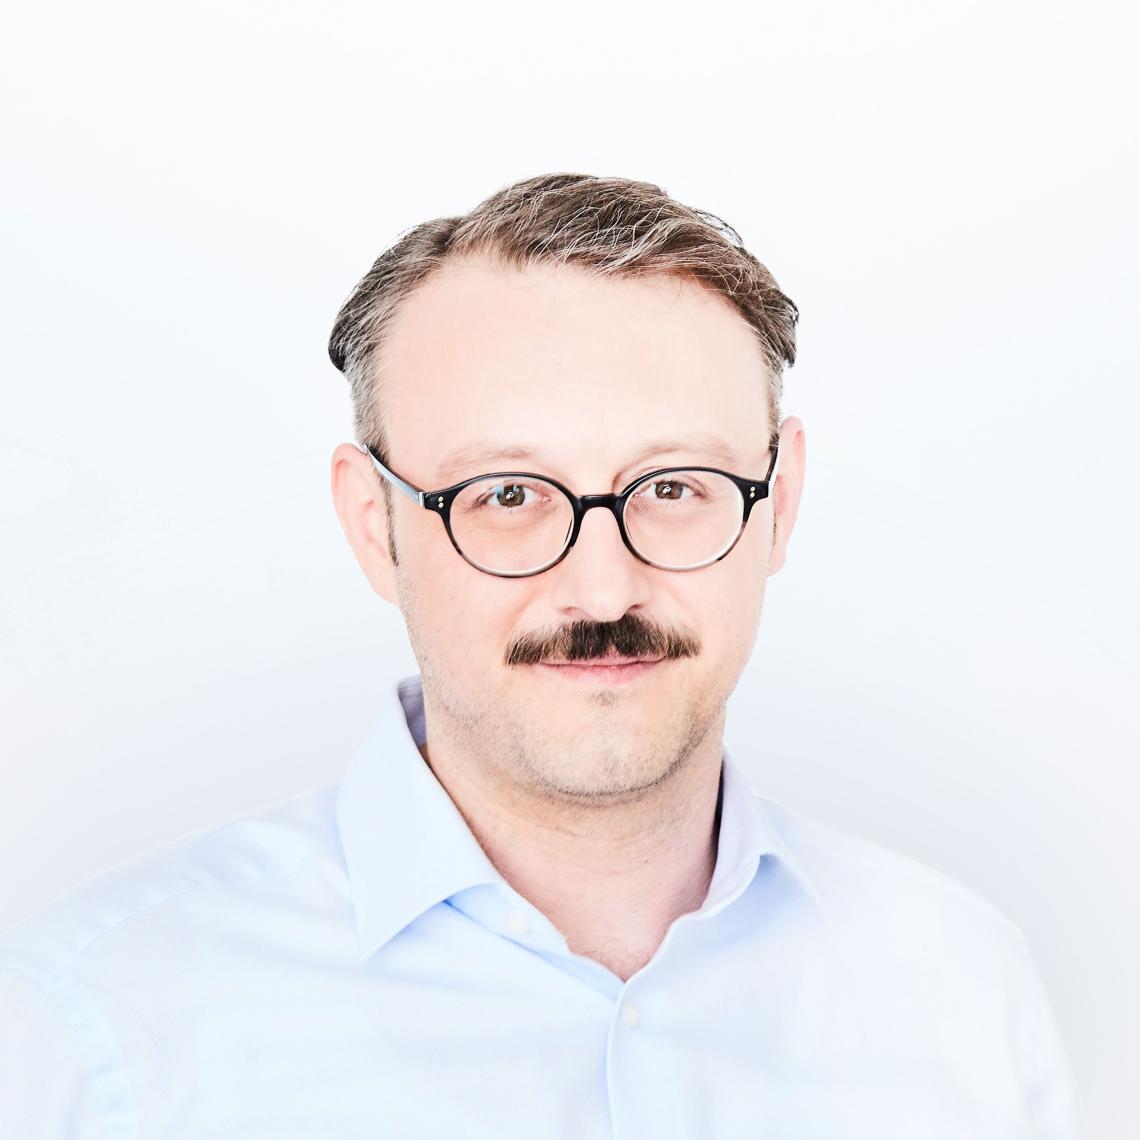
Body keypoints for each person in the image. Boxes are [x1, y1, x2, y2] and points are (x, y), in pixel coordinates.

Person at [0, 173, 1077, 1138]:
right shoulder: (96, 1031)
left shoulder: (963, 990)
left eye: (675, 487)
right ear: (375, 525)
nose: (604, 591)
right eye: (506, 495)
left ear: (778, 504)